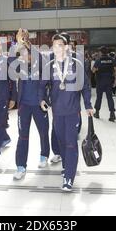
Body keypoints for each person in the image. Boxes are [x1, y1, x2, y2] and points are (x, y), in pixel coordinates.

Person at [39, 34, 94, 192]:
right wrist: (41, 99)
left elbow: (85, 86)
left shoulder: (76, 64)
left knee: (71, 143)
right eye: (54, 45)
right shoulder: (49, 66)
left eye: (60, 45)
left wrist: (88, 105)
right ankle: (67, 166)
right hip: (57, 112)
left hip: (72, 111)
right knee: (62, 142)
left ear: (66, 47)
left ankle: (69, 177)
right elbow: (42, 86)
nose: (57, 48)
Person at [13, 42, 50, 180]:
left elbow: (43, 60)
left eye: (27, 53)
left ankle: (44, 155)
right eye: (22, 54)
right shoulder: (19, 66)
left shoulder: (39, 65)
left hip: (39, 105)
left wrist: (29, 45)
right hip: (24, 106)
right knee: (23, 136)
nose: (25, 56)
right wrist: (18, 45)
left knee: (43, 132)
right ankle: (21, 166)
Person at [93, 46, 116, 122]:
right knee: (109, 97)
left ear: (100, 52)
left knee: (99, 97)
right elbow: (115, 70)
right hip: (109, 81)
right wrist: (115, 80)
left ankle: (97, 113)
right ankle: (112, 114)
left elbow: (93, 70)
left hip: (100, 81)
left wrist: (97, 69)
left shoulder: (98, 60)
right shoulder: (112, 60)